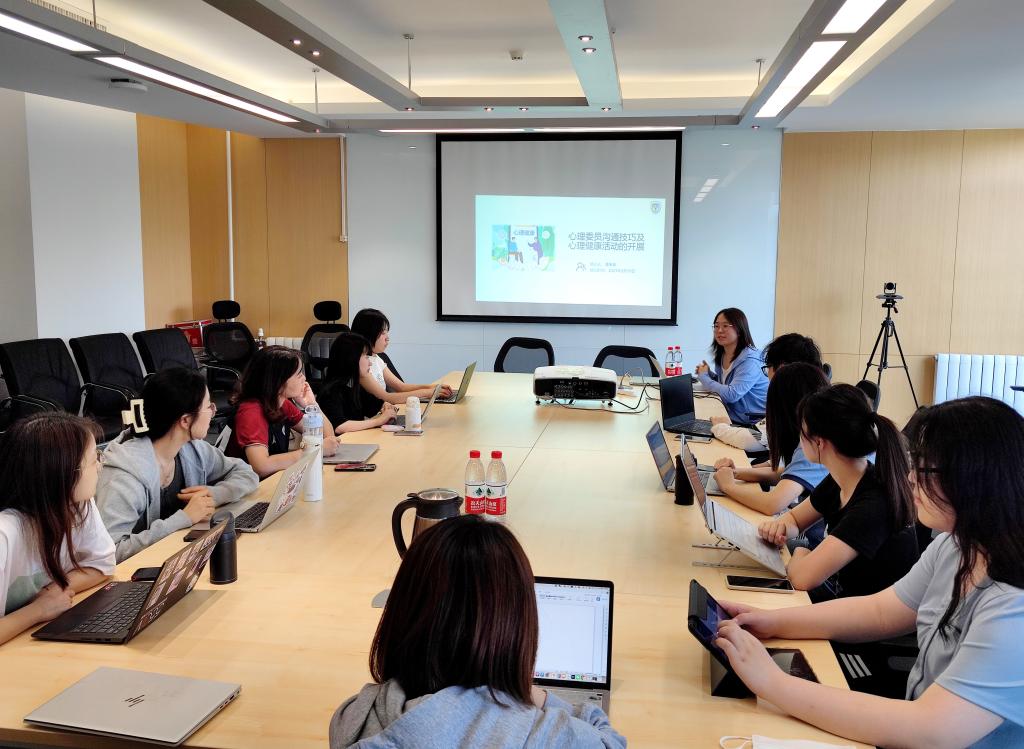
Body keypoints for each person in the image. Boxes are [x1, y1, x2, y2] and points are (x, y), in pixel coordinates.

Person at [714, 397, 1024, 748]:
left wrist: (772, 682)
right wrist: (771, 621)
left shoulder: (1014, 605)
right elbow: (879, 611)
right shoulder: (954, 547)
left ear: (975, 479)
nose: (911, 478)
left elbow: (932, 729)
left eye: (924, 469)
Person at [330, 515, 627, 748]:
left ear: (402, 612)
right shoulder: (537, 734)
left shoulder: (355, 718)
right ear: (514, 628)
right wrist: (528, 691)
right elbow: (609, 740)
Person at [756, 384, 919, 598]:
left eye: (802, 433)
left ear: (819, 443)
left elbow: (802, 578)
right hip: (844, 594)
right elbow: (795, 519)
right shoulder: (844, 476)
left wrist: (802, 551)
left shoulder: (872, 505)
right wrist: (780, 529)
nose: (799, 440)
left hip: (865, 613)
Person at [97, 368, 260, 562]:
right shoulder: (124, 476)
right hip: (136, 573)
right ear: (185, 420)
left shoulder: (193, 449)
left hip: (177, 562)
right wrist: (183, 519)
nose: (213, 412)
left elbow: (246, 473)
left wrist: (214, 495)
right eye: (208, 407)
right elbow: (111, 552)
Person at [0, 413, 116, 645]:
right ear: (62, 475)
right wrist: (38, 610)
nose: (99, 466)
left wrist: (57, 590)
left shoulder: (77, 505)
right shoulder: (5, 534)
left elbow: (102, 566)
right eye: (93, 460)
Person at [713, 363, 830, 515]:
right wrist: (735, 473)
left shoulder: (815, 443)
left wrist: (729, 487)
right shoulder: (820, 432)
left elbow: (772, 504)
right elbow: (786, 473)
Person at [225, 346, 339, 479]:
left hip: (272, 479)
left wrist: (312, 405)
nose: (304, 378)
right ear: (277, 381)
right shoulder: (251, 411)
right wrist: (315, 450)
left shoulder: (281, 403)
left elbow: (327, 436)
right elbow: (261, 466)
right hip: (244, 484)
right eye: (298, 374)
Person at [710, 332, 823, 450]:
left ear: (781, 368)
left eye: (768, 367)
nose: (768, 374)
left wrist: (720, 427)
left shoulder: (791, 401)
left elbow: (753, 439)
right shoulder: (811, 396)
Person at [350, 309, 452, 418]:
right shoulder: (361, 364)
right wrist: (429, 393)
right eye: (382, 333)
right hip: (372, 420)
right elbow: (387, 397)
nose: (387, 338)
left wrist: (432, 387)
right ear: (368, 334)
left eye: (387, 332)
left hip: (384, 415)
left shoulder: (376, 358)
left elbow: (401, 387)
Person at [695, 308, 768, 425]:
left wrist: (704, 377)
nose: (719, 330)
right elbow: (726, 384)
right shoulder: (723, 353)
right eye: (716, 326)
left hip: (751, 423)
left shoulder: (750, 360)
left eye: (725, 326)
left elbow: (731, 394)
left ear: (739, 329)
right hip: (730, 414)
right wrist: (710, 374)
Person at [318, 333, 398, 433]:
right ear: (352, 359)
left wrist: (385, 406)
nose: (370, 363)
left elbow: (375, 405)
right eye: (366, 356)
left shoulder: (353, 386)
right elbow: (340, 426)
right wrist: (379, 421)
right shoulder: (330, 391)